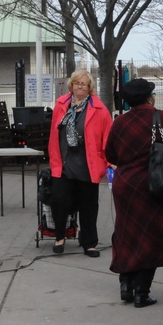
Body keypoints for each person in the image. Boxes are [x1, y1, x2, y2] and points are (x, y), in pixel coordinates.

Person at [104, 78, 163, 307]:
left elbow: (110, 155)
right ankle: (141, 292)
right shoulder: (160, 118)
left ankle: (125, 284)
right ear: (150, 97)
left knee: (126, 234)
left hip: (125, 186)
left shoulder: (119, 122)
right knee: (151, 237)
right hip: (155, 185)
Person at [47, 69, 113, 257]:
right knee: (59, 201)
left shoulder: (100, 110)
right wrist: (52, 158)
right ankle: (59, 238)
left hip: (88, 164)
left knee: (89, 205)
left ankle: (89, 243)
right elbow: (54, 134)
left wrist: (109, 162)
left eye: (83, 84)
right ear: (71, 86)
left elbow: (107, 138)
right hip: (64, 162)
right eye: (77, 83)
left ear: (90, 87)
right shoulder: (61, 105)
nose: (80, 86)